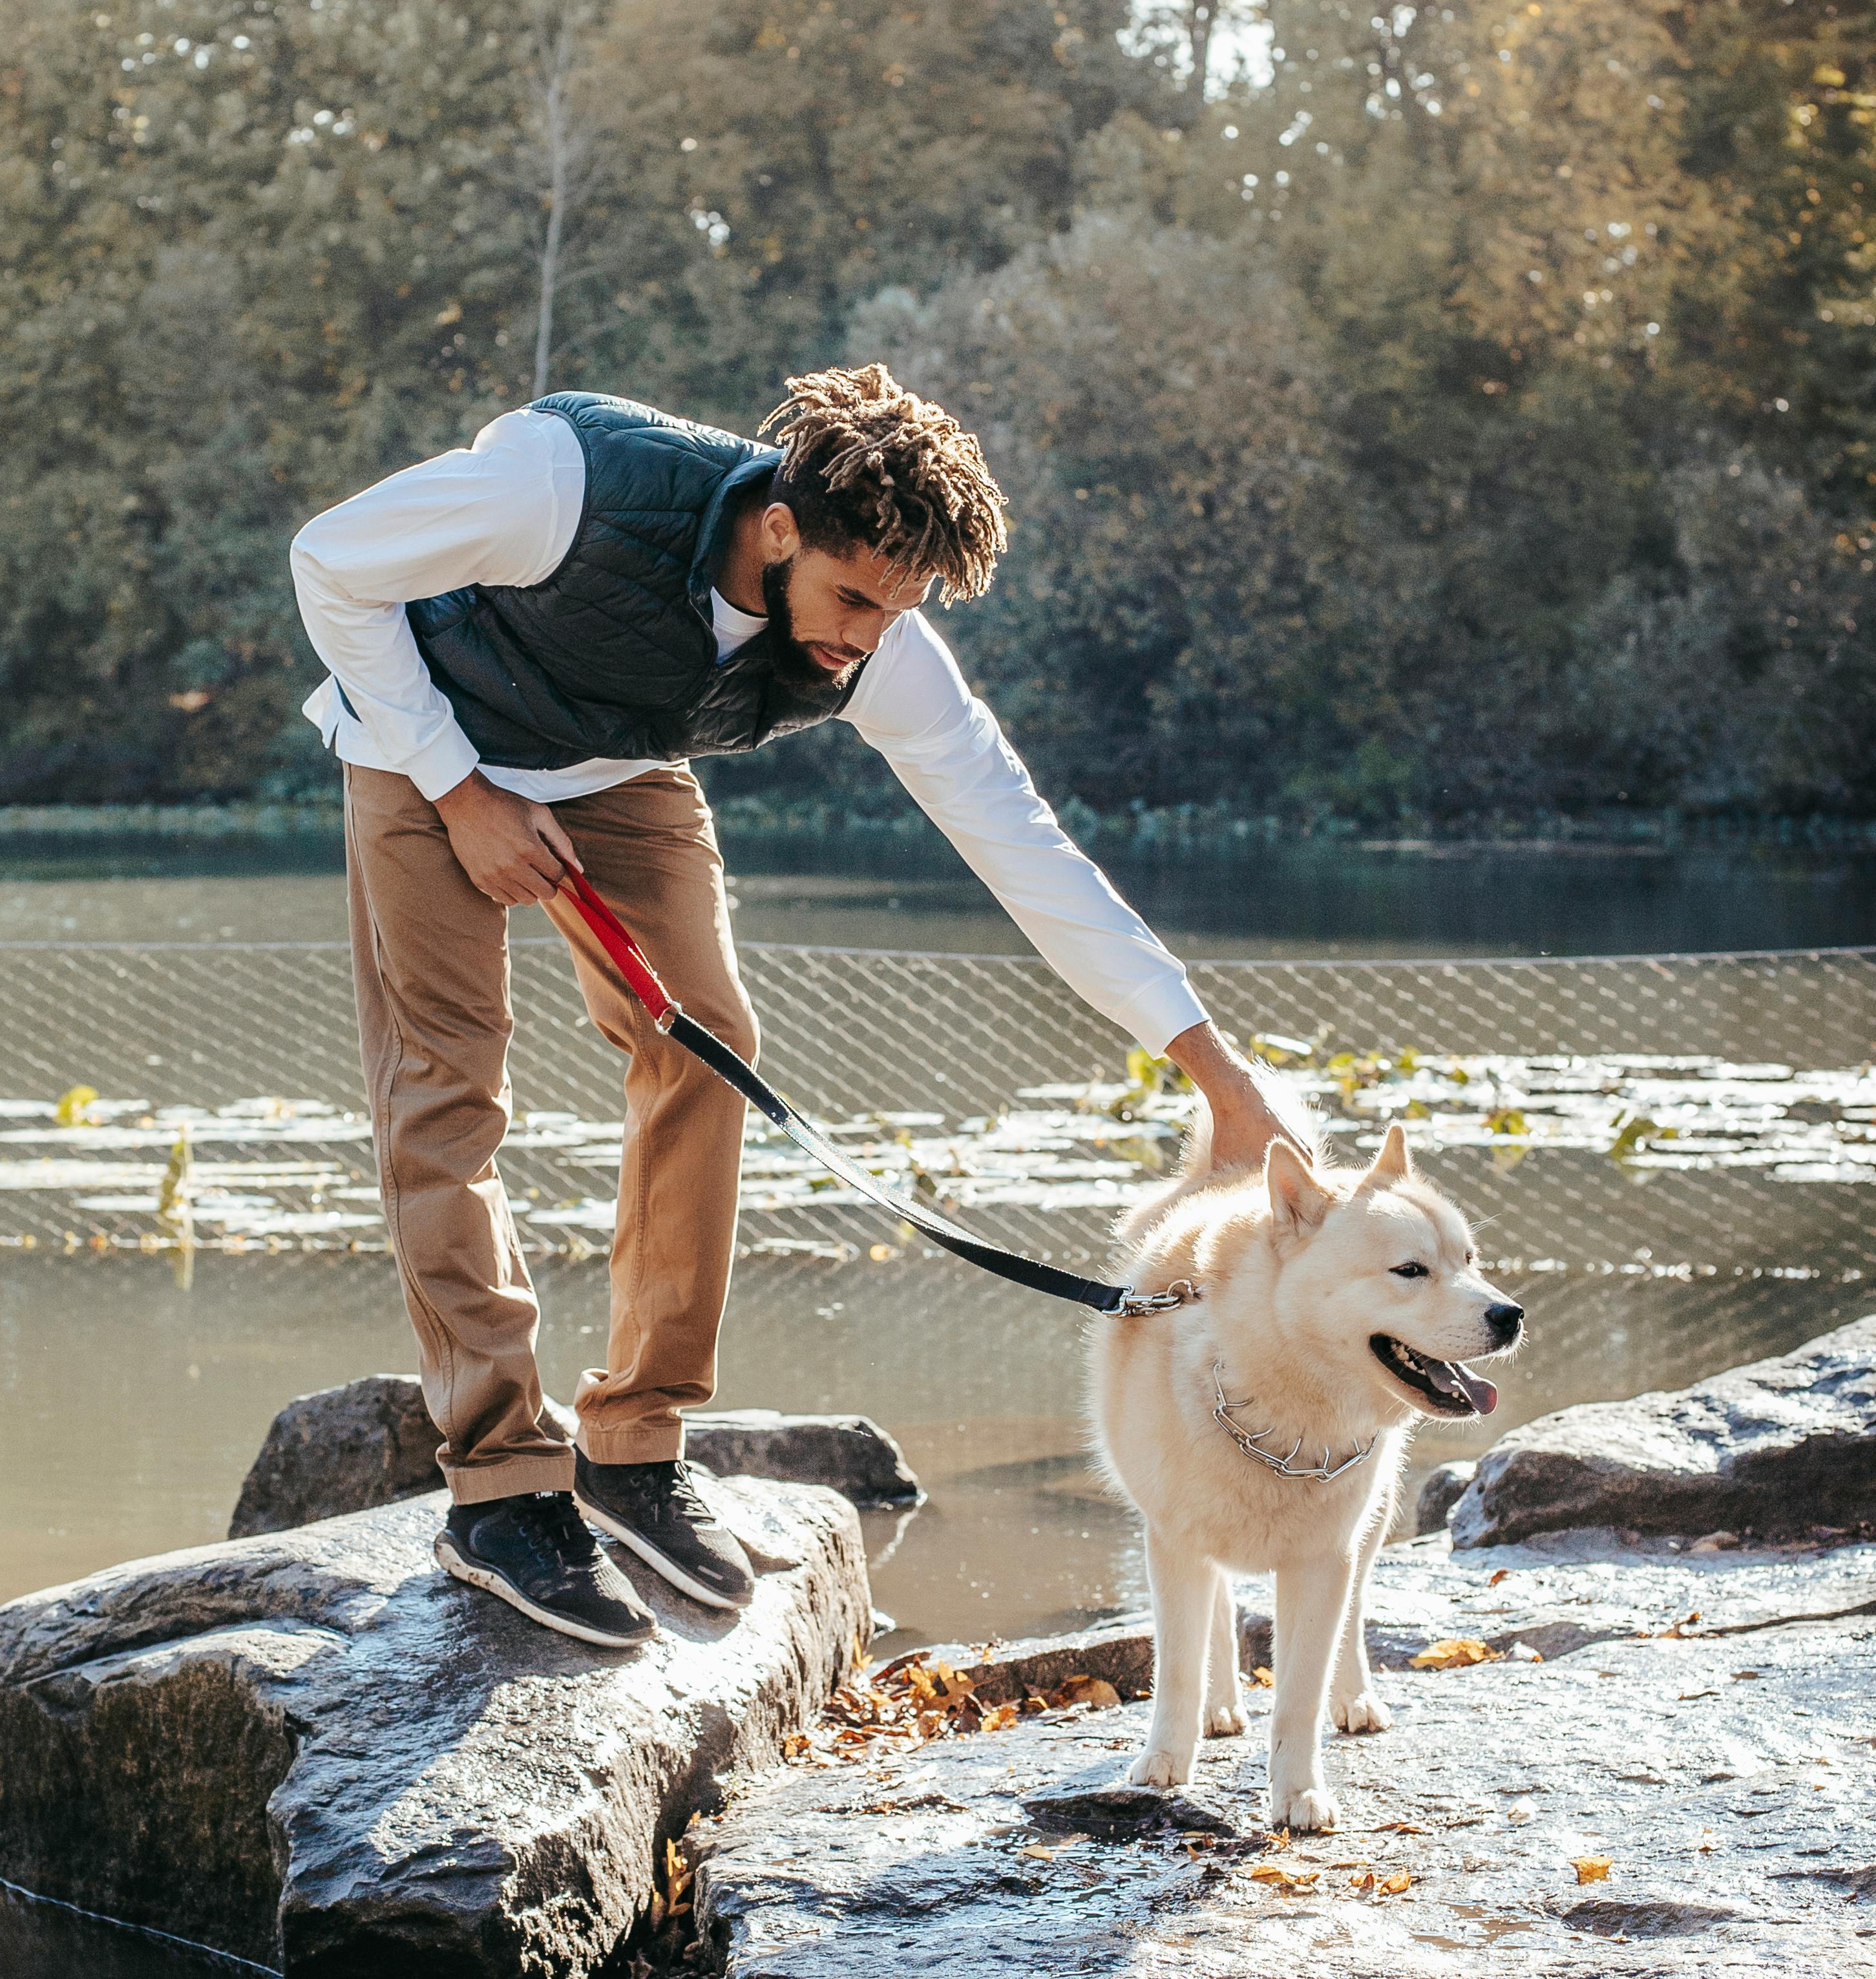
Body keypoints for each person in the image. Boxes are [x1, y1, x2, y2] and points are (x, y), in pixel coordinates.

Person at [290, 365, 1283, 1650]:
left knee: (708, 1046)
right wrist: (457, 787)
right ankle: (500, 1489)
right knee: (446, 1091)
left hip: (621, 765)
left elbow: (1023, 847)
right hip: (423, 745)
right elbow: (332, 563)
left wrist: (1216, 1073)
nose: (863, 637)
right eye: (852, 596)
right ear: (776, 528)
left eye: (898, 609)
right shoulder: (562, 490)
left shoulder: (875, 644)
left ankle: (635, 1451)